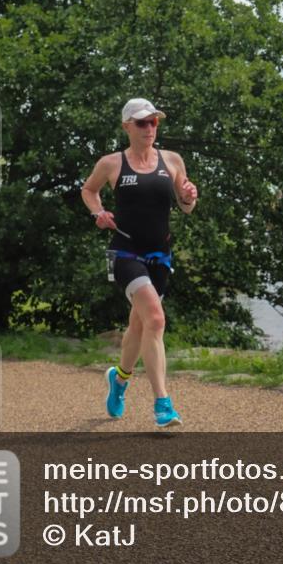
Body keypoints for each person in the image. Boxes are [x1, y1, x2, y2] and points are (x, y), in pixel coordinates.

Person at [81, 98, 198, 428]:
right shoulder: (111, 163)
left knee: (139, 325)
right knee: (156, 320)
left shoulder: (172, 160)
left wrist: (189, 197)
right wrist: (98, 213)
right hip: (125, 254)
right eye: (142, 122)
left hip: (160, 257)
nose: (150, 128)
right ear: (126, 127)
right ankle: (163, 404)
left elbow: (185, 204)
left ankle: (118, 380)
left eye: (154, 122)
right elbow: (89, 191)